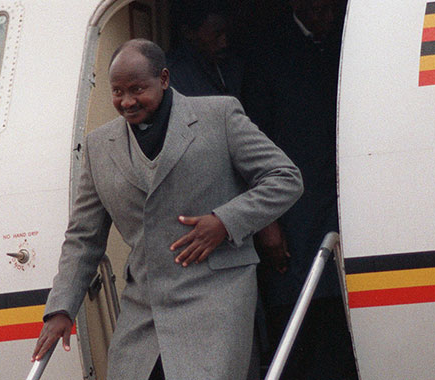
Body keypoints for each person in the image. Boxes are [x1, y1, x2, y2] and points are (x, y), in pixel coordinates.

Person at [31, 39, 303, 380]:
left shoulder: (219, 116)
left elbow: (285, 178)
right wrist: (61, 308)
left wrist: (225, 221)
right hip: (145, 308)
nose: (127, 102)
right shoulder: (99, 146)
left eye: (137, 89)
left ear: (163, 79)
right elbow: (83, 237)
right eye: (117, 92)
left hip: (215, 300)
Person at [241, 0, 357, 379]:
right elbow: (250, 148)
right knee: (300, 317)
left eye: (329, 11)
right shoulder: (266, 52)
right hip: (293, 212)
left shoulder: (350, 39)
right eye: (316, 11)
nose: (324, 19)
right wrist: (266, 222)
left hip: (345, 196)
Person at [167, 3, 243, 98]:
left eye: (225, 33)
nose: (224, 43)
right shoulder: (172, 74)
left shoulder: (232, 66)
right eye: (216, 35)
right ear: (188, 33)